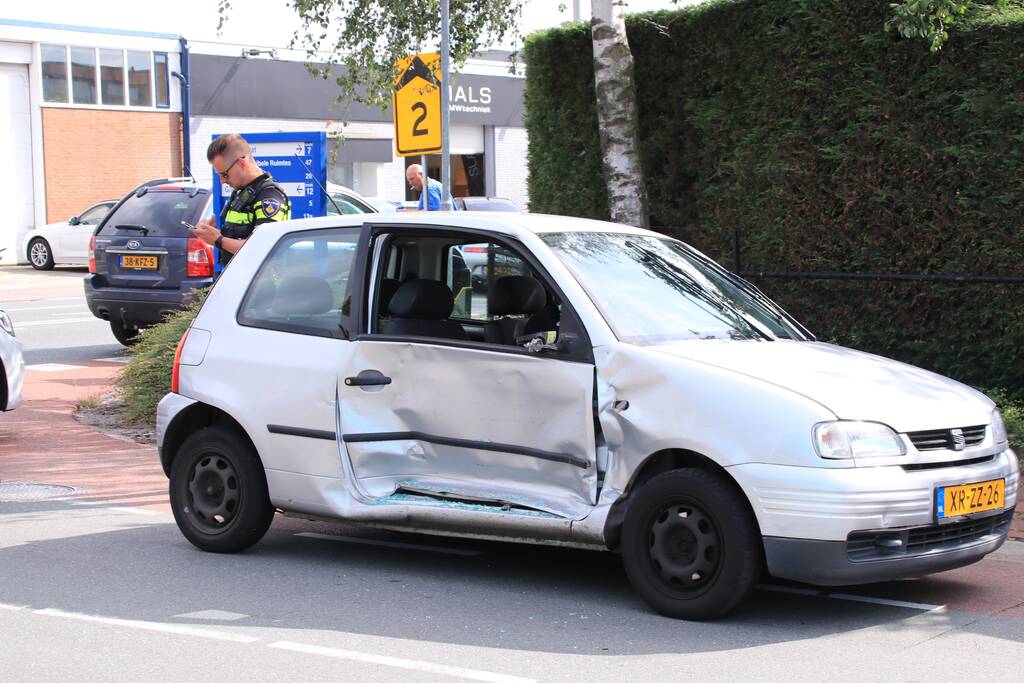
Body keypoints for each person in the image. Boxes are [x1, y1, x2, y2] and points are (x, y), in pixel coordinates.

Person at [190, 133, 291, 267]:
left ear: (242, 163)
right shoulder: (242, 192)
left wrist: (218, 239)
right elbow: (235, 235)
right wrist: (209, 229)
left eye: (224, 174)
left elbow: (262, 248)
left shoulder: (269, 196)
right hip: (237, 277)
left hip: (260, 283)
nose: (222, 181)